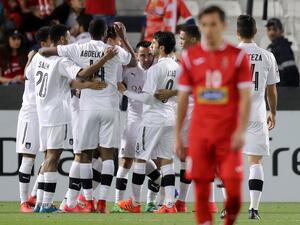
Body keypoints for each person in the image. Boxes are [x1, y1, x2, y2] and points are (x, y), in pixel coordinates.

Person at [39, 19, 134, 213]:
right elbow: (132, 61)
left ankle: (88, 201)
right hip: (110, 106)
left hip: (87, 107)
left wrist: (38, 53)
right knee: (108, 155)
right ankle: (102, 202)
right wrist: (123, 39)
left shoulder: (78, 47)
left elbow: (45, 52)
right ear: (105, 33)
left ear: (89, 32)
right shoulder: (113, 49)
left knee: (84, 155)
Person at [175, 6, 252, 225]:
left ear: (224, 26)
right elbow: (182, 99)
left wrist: (241, 130)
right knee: (200, 190)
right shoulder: (190, 57)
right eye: (205, 25)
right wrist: (177, 135)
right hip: (200, 134)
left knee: (235, 193)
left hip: (228, 135)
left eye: (213, 24)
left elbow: (246, 97)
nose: (209, 30)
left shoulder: (237, 57)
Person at [118, 31, 180, 214]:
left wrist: (125, 92)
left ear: (161, 47)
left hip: (152, 118)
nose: (151, 47)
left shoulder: (155, 69)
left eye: (153, 44)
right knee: (167, 162)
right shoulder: (178, 67)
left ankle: (135, 203)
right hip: (170, 118)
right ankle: (169, 205)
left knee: (140, 159)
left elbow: (146, 99)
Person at [112, 41, 162, 213]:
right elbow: (115, 84)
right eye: (142, 55)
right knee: (125, 161)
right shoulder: (129, 71)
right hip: (133, 122)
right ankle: (118, 203)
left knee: (156, 166)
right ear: (137, 56)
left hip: (152, 123)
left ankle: (150, 203)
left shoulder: (158, 71)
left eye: (149, 54)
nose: (146, 58)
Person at [237, 15, 279, 220]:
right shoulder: (267, 56)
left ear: (237, 32)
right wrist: (273, 112)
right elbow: (272, 91)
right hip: (257, 113)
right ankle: (253, 209)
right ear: (256, 33)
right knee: (255, 162)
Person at [16, 26, 51, 213]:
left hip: (46, 113)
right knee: (28, 158)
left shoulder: (47, 58)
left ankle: (34, 195)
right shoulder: (37, 57)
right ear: (44, 42)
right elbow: (26, 76)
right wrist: (30, 59)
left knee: (49, 156)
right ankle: (23, 201)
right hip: (31, 112)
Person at [266, 18, 299, 87]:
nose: (271, 32)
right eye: (269, 29)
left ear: (281, 31)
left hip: (282, 93)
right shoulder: (271, 48)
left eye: (274, 29)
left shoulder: (284, 48)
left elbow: (292, 76)